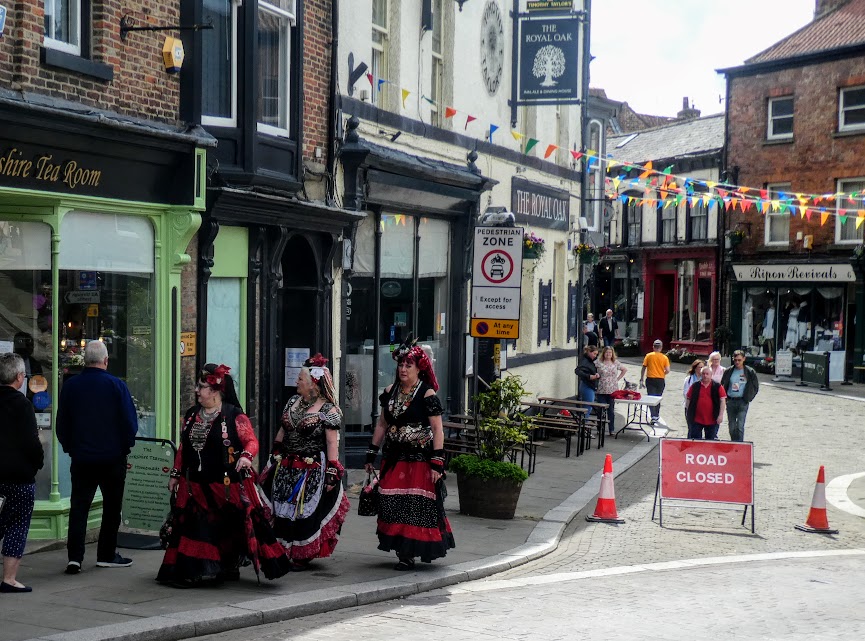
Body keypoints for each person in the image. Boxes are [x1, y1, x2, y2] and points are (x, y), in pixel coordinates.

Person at [157, 364, 289, 586]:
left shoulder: (234, 415)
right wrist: (175, 474)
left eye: (201, 387)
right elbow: (183, 448)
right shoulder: (192, 415)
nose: (197, 391)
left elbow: (251, 441)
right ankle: (195, 571)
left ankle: (227, 565)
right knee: (195, 526)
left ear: (215, 392)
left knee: (229, 525)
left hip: (224, 484)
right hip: (194, 484)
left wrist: (246, 456)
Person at [364, 335, 454, 571]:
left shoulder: (427, 394)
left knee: (414, 505)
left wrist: (437, 462)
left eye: (408, 365)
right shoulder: (390, 391)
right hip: (394, 458)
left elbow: (437, 429)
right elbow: (382, 424)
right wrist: (371, 453)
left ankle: (408, 553)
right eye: (401, 365)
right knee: (392, 502)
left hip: (419, 460)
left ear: (419, 368)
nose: (403, 369)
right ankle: (400, 547)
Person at [57, 341, 138, 575]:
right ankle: (106, 554)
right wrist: (125, 447)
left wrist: (70, 448)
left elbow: (62, 424)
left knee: (79, 508)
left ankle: (75, 558)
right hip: (112, 458)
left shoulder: (71, 386)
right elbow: (129, 423)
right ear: (105, 360)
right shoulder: (116, 385)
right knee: (112, 508)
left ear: (85, 360)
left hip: (82, 458)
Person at [269, 354, 350, 570]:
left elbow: (331, 442)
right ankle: (283, 549)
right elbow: (283, 429)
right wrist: (276, 448)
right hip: (287, 465)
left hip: (310, 469)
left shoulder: (328, 410)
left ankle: (301, 554)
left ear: (313, 383)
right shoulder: (292, 402)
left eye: (301, 379)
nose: (297, 381)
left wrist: (332, 470)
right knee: (283, 508)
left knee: (303, 510)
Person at [0, 353, 44, 593]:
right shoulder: (22, 404)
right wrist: (38, 462)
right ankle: (9, 579)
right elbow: (31, 442)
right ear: (19, 377)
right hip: (19, 478)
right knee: (17, 526)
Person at [720, 350, 760, 442]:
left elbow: (755, 386)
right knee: (732, 426)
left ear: (744, 359)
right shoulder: (729, 371)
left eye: (739, 360)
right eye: (735, 360)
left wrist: (748, 398)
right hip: (731, 401)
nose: (737, 362)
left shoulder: (749, 371)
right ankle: (734, 443)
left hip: (742, 401)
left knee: (740, 426)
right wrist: (725, 398)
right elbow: (722, 385)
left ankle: (740, 445)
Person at [685, 365, 727, 440]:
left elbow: (722, 401)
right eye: (703, 374)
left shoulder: (717, 386)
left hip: (712, 419)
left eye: (707, 374)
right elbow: (688, 399)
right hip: (696, 419)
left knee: (710, 441)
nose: (705, 376)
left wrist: (720, 415)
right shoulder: (695, 386)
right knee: (695, 440)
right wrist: (689, 412)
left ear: (711, 375)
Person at [594, 346, 627, 435]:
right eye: (606, 352)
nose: (608, 354)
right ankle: (599, 428)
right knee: (601, 410)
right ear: (603, 353)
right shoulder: (599, 362)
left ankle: (611, 429)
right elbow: (592, 368)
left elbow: (624, 369)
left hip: (612, 390)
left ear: (612, 354)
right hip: (601, 389)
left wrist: (618, 378)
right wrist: (595, 375)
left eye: (610, 352)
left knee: (611, 411)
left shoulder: (615, 362)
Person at [640, 339, 671, 425]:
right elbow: (668, 370)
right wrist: (663, 373)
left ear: (653, 347)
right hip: (660, 379)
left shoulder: (648, 356)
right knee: (658, 398)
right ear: (661, 348)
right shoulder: (664, 357)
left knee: (651, 397)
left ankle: (653, 415)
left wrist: (641, 379)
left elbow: (643, 368)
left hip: (650, 379)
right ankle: (656, 415)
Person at [682, 360, 705, 436]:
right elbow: (685, 392)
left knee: (699, 427)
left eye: (702, 367)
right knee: (691, 427)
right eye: (699, 367)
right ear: (695, 368)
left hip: (702, 407)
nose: (701, 369)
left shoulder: (705, 379)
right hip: (690, 405)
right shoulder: (688, 379)